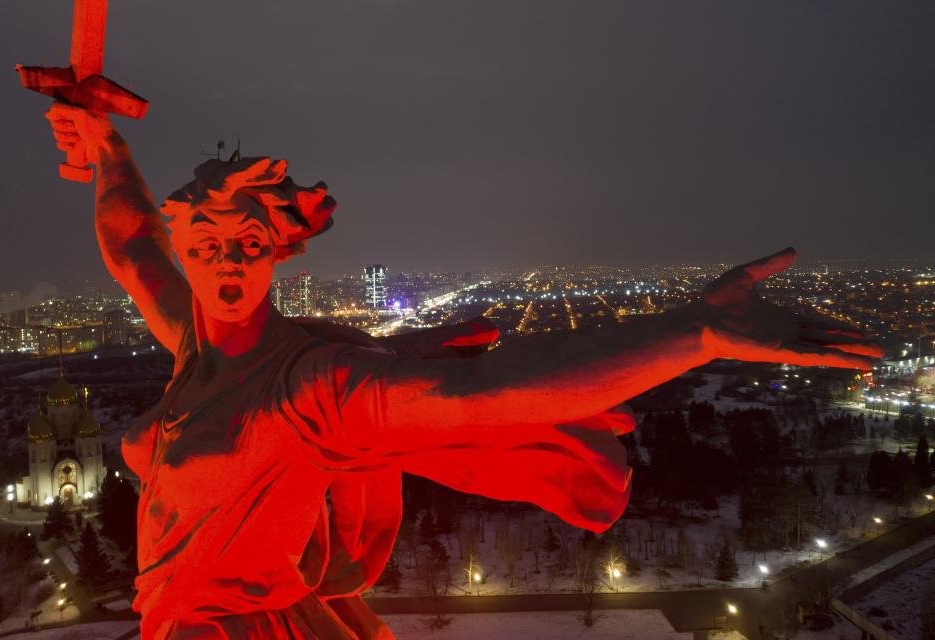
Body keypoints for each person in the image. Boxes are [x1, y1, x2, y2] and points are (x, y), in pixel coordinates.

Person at [45, 102, 881, 639]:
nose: (228, 265)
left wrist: (693, 334)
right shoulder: (194, 348)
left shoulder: (310, 390)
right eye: (207, 249)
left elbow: (497, 389)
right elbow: (129, 245)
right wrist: (106, 142)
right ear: (186, 254)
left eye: (250, 246)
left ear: (280, 252)